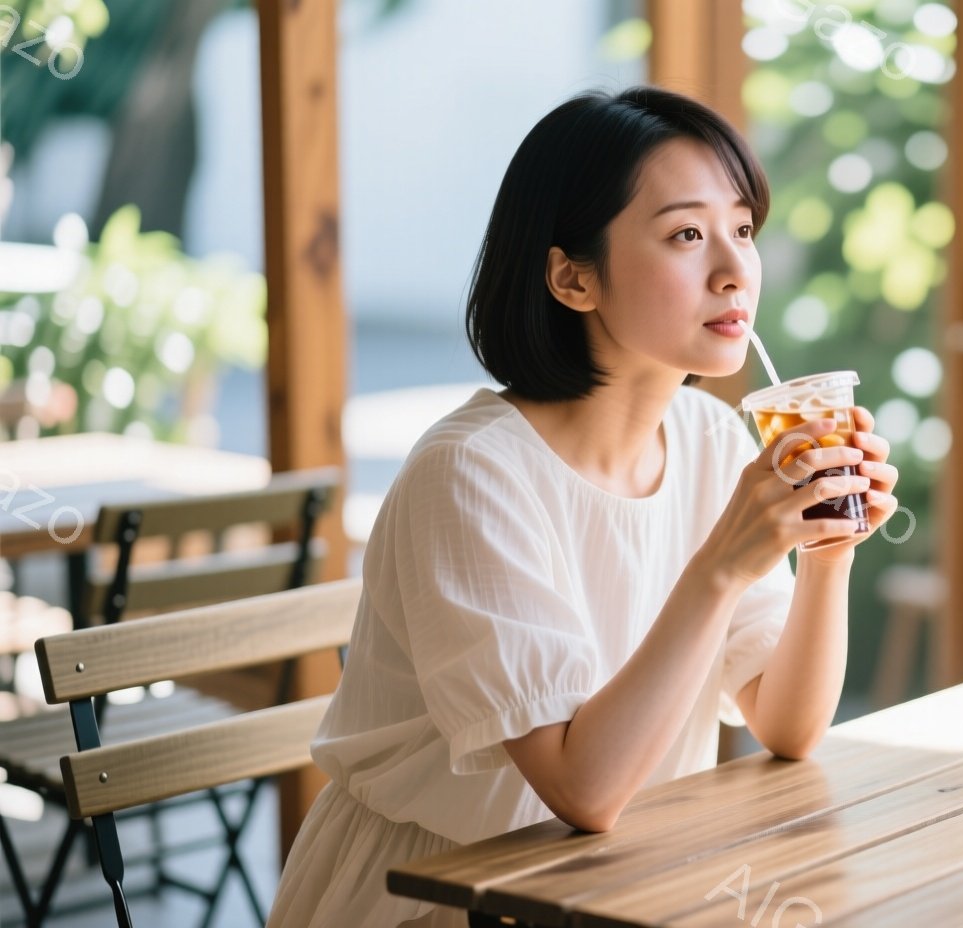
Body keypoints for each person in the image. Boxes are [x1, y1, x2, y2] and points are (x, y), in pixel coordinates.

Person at [267, 85, 901, 927]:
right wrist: (721, 566)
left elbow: (788, 726)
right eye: (686, 233)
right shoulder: (472, 475)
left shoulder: (709, 440)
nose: (732, 268)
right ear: (572, 277)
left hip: (622, 882)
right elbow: (583, 788)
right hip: (438, 895)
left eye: (742, 228)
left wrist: (826, 553)